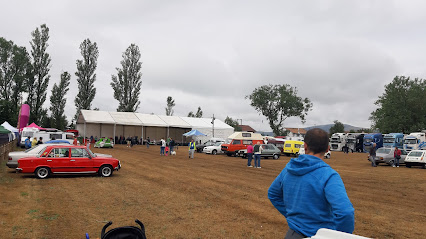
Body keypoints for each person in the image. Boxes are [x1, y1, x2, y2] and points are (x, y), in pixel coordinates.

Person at [268, 128, 354, 238]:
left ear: (305, 146)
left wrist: (292, 215)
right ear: (328, 149)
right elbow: (345, 212)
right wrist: (340, 236)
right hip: (320, 235)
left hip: (293, 234)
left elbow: (273, 194)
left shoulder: (287, 170)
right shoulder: (329, 175)